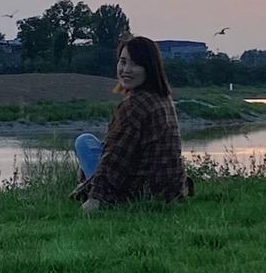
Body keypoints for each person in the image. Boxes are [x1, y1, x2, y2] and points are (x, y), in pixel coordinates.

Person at [71, 35, 191, 212]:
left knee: (83, 142)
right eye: (123, 61)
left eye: (135, 64)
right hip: (172, 189)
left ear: (149, 68)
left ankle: (92, 187)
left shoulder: (134, 105)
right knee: (92, 142)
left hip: (141, 189)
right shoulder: (162, 98)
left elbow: (116, 157)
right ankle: (88, 182)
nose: (126, 69)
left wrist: (95, 199)